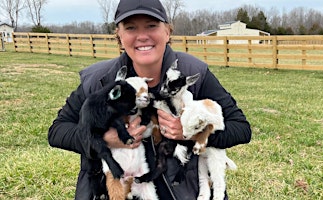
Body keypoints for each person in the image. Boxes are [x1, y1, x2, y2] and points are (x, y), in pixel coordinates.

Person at [48, 0, 251, 199]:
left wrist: (190, 132)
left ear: (167, 31)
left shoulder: (194, 74)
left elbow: (240, 128)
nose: (142, 36)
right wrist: (104, 138)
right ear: (119, 35)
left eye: (152, 26)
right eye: (131, 28)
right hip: (118, 189)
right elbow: (57, 131)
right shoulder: (100, 81)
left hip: (184, 191)